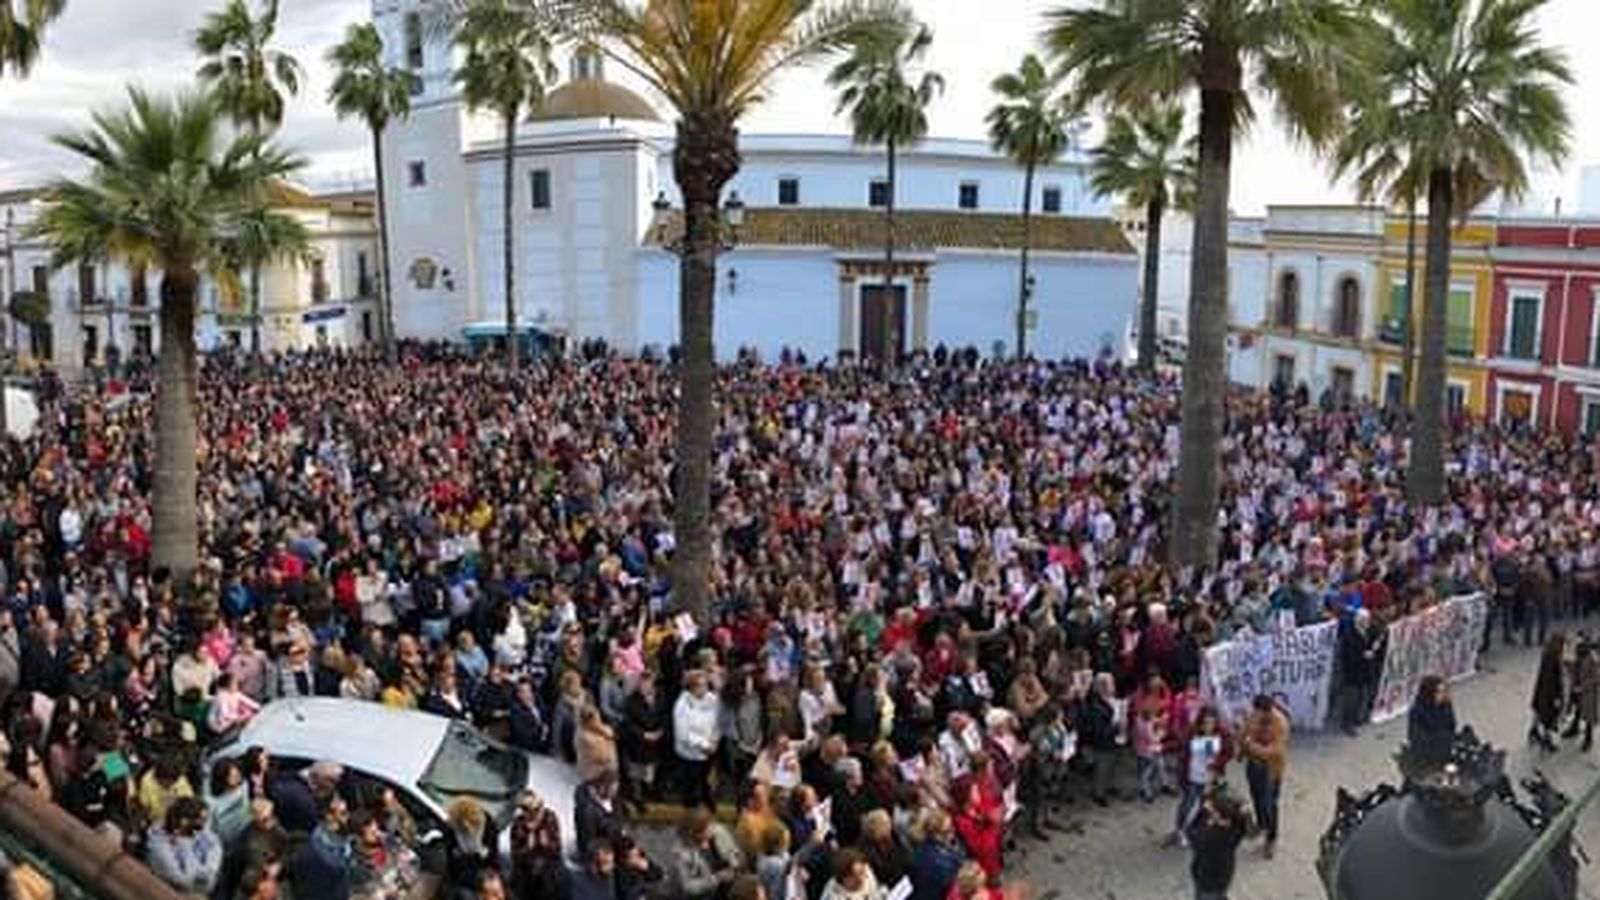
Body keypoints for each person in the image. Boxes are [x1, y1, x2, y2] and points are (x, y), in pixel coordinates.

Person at [1237, 694, 1287, 859]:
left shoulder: (1280, 723)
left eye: (1258, 713)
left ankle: (1271, 838)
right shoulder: (1253, 715)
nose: (1254, 716)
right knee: (1256, 797)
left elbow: (1275, 751)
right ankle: (1261, 824)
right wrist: (1241, 751)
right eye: (1254, 712)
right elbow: (1243, 733)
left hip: (1271, 770)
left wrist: (1251, 745)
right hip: (1253, 765)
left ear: (1267, 711)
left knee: (1270, 803)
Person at [1172, 707, 1228, 848]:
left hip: (1209, 779)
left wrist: (1217, 763)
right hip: (1192, 777)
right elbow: (1181, 750)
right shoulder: (1192, 733)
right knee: (1187, 804)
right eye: (1206, 722)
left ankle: (1193, 829)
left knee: (1204, 806)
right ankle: (1180, 831)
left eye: (1212, 722)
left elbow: (1228, 752)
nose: (1208, 726)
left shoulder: (1221, 734)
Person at [145, 796, 224, 896]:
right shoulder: (158, 845)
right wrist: (183, 844)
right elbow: (182, 880)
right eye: (200, 821)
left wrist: (208, 872)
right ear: (184, 821)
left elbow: (215, 847)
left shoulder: (202, 833)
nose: (203, 827)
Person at [1187, 787, 1249, 900]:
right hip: (1225, 874)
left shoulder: (1210, 837)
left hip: (1207, 881)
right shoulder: (1236, 827)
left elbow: (1190, 832)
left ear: (1219, 815)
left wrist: (1201, 812)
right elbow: (1242, 819)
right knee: (1220, 894)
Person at [673, 806, 744, 900]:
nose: (711, 829)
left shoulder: (719, 832)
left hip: (728, 887)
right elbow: (688, 887)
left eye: (711, 824)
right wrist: (716, 878)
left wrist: (734, 865)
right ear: (695, 833)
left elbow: (735, 853)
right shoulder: (682, 853)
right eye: (706, 827)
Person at [674, 671, 721, 808]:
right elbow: (683, 734)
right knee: (691, 786)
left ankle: (708, 806)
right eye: (701, 686)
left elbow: (717, 721)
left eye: (706, 685)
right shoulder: (682, 705)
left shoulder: (712, 699)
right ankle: (691, 811)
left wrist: (714, 740)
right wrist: (704, 745)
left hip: (709, 751)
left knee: (706, 781)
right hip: (690, 754)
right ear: (692, 688)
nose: (705, 689)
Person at [1337, 610, 1379, 736]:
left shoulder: (1370, 631)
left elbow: (1376, 638)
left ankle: (1355, 719)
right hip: (1352, 673)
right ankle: (1347, 723)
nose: (1366, 623)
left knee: (1361, 696)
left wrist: (1374, 647)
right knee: (1351, 699)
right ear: (1357, 621)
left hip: (1364, 671)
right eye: (1363, 620)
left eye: (1367, 620)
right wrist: (1364, 655)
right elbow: (1348, 655)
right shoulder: (1349, 635)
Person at [1406, 675, 1457, 771]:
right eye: (1439, 692)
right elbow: (1416, 738)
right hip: (1428, 756)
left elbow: (1452, 724)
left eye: (1445, 691)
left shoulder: (1446, 705)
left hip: (1446, 748)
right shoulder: (1418, 711)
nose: (1443, 694)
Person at [575, 771, 625, 862]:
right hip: (598, 855)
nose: (616, 791)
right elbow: (588, 839)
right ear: (602, 787)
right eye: (613, 788)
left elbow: (618, 822)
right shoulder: (589, 810)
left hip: (613, 849)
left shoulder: (614, 802)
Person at [1532, 632, 1568, 753]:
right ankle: (1546, 740)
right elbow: (1555, 681)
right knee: (1549, 719)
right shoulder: (1554, 659)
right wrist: (1557, 698)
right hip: (1550, 696)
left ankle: (1534, 731)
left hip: (1541, 691)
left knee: (1538, 712)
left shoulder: (1546, 655)